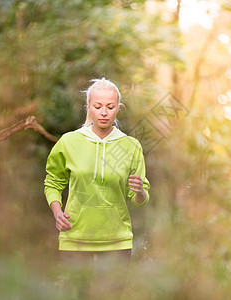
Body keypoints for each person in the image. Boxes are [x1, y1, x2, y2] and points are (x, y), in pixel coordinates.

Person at [44, 78, 150, 297]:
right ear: (89, 107)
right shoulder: (69, 142)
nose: (104, 112)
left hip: (116, 240)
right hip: (75, 238)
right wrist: (57, 211)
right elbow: (53, 181)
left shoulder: (131, 146)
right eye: (98, 106)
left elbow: (139, 199)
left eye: (110, 107)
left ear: (117, 109)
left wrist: (139, 190)